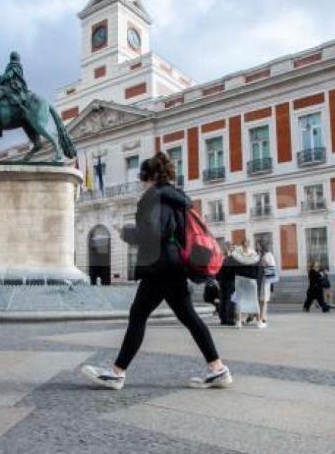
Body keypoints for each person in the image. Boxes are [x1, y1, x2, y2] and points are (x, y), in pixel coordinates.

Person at [81, 152, 231, 390]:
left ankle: (116, 372)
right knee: (188, 317)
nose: (140, 182)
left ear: (147, 177)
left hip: (160, 264)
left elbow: (153, 233)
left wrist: (127, 233)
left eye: (141, 177)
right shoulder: (178, 198)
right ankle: (217, 368)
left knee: (139, 314)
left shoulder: (151, 197)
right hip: (175, 264)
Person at [231, 238, 261, 327]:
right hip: (251, 279)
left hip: (239, 278)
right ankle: (259, 322)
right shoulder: (254, 255)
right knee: (254, 300)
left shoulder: (236, 254)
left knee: (239, 300)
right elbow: (257, 267)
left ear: (242, 244)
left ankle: (239, 322)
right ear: (249, 244)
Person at [256, 241, 277, 328]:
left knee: (264, 300)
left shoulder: (268, 255)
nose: (257, 247)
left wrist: (264, 263)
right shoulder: (260, 255)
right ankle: (260, 317)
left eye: (258, 245)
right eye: (256, 245)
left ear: (262, 246)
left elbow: (272, 267)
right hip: (260, 279)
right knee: (260, 300)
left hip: (265, 280)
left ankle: (263, 318)